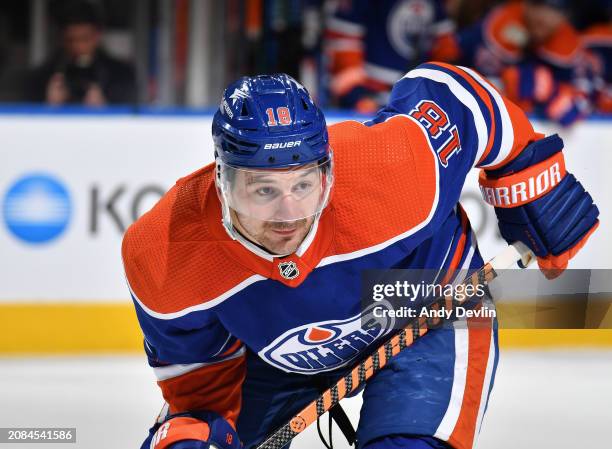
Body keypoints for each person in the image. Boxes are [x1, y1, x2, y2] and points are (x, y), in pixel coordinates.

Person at [122, 66, 599, 449]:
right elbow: (201, 394)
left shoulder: (388, 170)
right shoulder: (165, 254)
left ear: (327, 174)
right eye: (262, 190)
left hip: (429, 305)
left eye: (303, 185)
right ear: (223, 184)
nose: (289, 214)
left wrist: (531, 176)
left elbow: (455, 93)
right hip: (276, 357)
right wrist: (202, 428)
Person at [442, 0, 596, 126]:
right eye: (539, 5)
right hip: (480, 125)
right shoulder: (498, 25)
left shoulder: (569, 48)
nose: (544, 16)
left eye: (555, 10)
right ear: (526, 5)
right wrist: (501, 87)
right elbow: (445, 57)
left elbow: (585, 104)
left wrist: (550, 91)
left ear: (566, 16)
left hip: (539, 139)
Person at [325, 0, 456, 113]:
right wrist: (358, 98)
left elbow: (445, 50)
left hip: (419, 101)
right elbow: (344, 44)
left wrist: (440, 95)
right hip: (373, 99)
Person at [28, 0, 135, 106]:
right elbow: (25, 117)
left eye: (85, 39)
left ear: (98, 35)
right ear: (61, 38)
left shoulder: (121, 76)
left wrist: (104, 110)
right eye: (71, 39)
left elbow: (134, 117)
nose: (78, 47)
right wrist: (48, 107)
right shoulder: (43, 77)